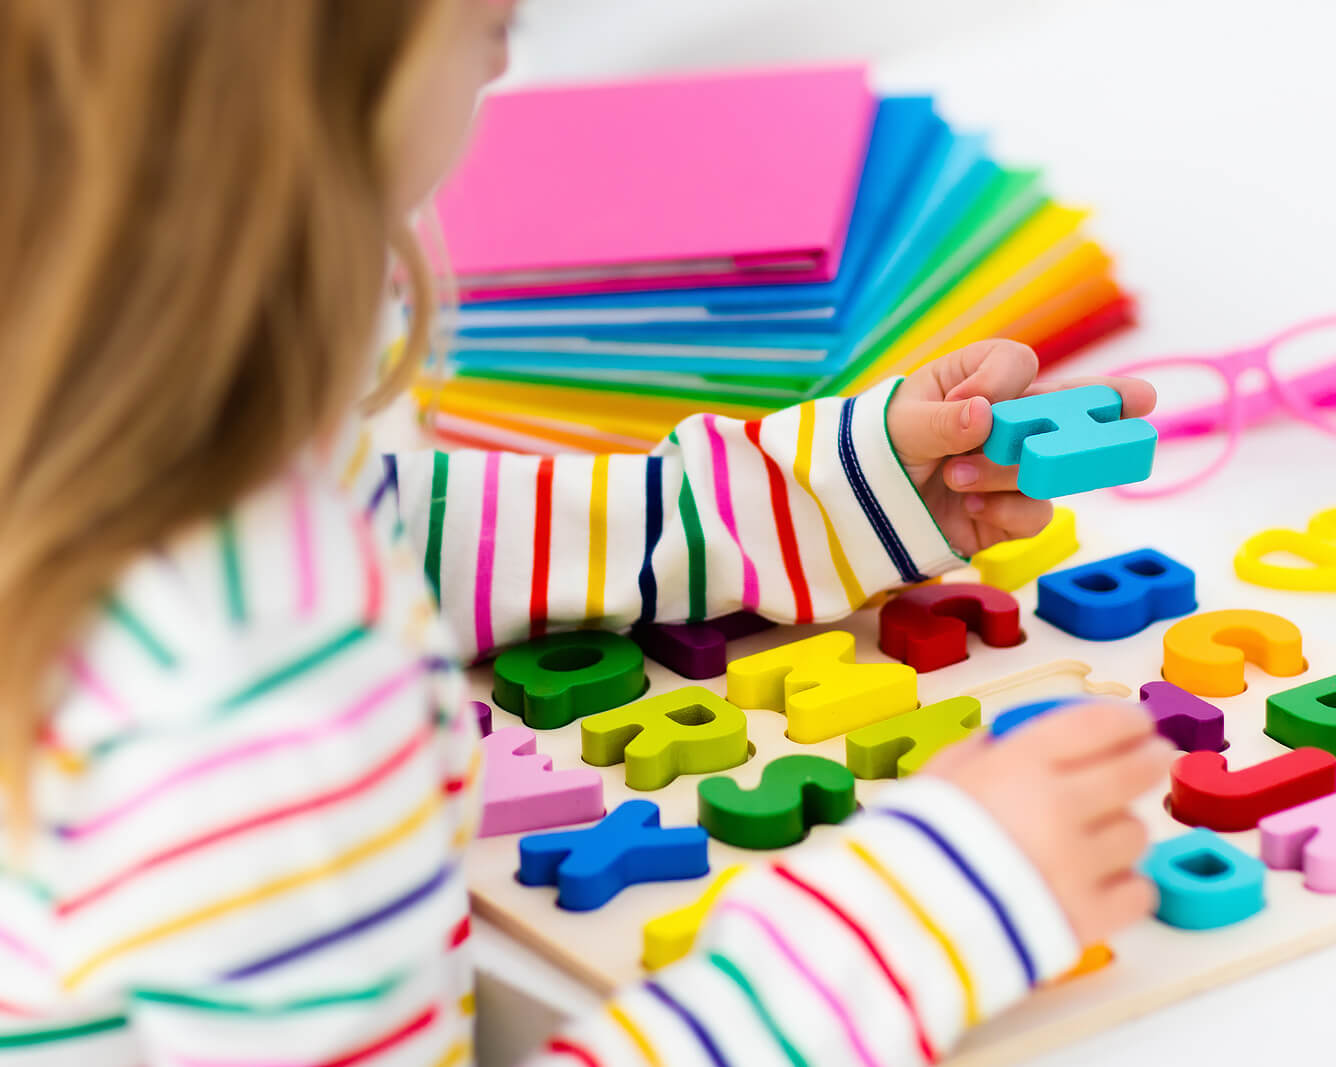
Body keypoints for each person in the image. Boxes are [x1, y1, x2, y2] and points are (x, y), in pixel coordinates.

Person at [0, 2, 1172, 1063]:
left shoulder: (113, 416)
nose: (516, 36)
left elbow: (390, 526)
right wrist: (921, 917)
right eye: (477, 20)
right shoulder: (260, 698)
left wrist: (825, 497)